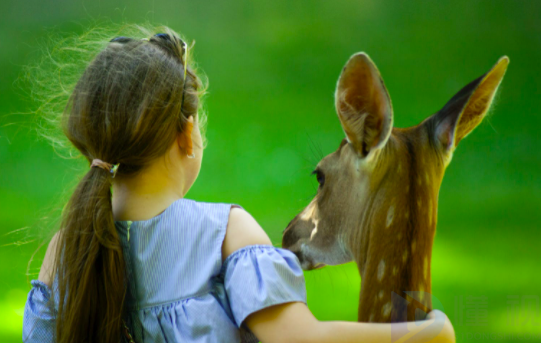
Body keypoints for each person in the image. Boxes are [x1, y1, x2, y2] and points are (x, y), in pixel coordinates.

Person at [22, 25, 456, 343]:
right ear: (187, 134)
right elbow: (300, 341)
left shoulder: (68, 247)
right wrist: (429, 331)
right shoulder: (226, 234)